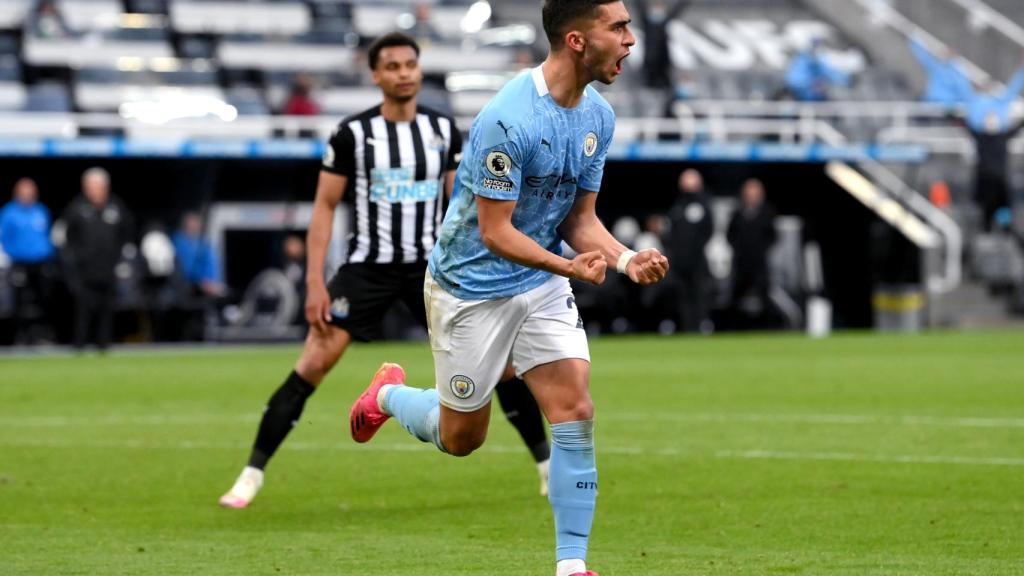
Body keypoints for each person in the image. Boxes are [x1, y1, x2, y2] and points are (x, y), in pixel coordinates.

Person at [347, 4, 668, 576]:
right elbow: (496, 233)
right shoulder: (508, 119)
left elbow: (578, 219)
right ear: (577, 39)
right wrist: (569, 267)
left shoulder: (598, 115)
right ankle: (389, 396)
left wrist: (624, 258)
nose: (630, 40)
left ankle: (572, 565)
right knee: (461, 438)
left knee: (575, 408)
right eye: (617, 27)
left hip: (540, 281)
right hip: (470, 287)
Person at [219, 32, 553, 509]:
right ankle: (251, 474)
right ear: (375, 75)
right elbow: (324, 208)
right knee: (313, 363)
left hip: (431, 270)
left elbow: (464, 205)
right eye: (392, 66)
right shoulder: (352, 134)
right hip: (367, 269)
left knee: (500, 367)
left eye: (409, 65)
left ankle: (545, 467)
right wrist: (314, 282)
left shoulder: (442, 130)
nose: (403, 73)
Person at [60, 167, 133, 351]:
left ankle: (104, 346)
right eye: (92, 186)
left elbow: (126, 233)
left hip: (109, 269)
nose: (97, 190)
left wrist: (120, 259)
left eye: (100, 186)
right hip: (83, 271)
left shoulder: (116, 207)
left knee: (107, 310)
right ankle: (79, 346)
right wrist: (74, 262)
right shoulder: (76, 208)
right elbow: (67, 237)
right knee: (83, 310)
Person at [960, 69, 1024, 229]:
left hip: (999, 177)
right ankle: (986, 227)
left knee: (1002, 206)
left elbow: (1018, 126)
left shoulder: (1003, 134)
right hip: (984, 176)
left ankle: (1005, 228)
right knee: (985, 207)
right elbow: (965, 125)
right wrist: (952, 116)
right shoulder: (980, 134)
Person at [0, 178, 56, 343]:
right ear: (17, 193)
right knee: (18, 301)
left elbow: (48, 235)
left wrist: (49, 253)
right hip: (19, 262)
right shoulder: (8, 213)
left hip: (41, 262)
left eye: (30, 192)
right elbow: (3, 237)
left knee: (44, 298)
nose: (27, 195)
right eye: (24, 192)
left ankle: (42, 334)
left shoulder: (41, 211)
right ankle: (19, 335)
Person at [665, 168, 713, 333]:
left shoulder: (703, 204)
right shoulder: (677, 205)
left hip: (697, 260)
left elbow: (708, 230)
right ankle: (686, 327)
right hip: (679, 261)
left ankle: (701, 325)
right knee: (682, 295)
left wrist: (695, 250)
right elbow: (671, 232)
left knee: (700, 293)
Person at [726, 178, 776, 328]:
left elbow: (772, 236)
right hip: (741, 262)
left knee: (764, 294)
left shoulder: (767, 212)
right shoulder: (737, 213)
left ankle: (767, 327)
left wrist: (761, 250)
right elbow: (730, 235)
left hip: (759, 262)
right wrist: (738, 249)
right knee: (736, 295)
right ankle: (734, 327)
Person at [171, 211, 226, 298]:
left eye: (196, 222)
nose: (195, 225)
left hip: (207, 286)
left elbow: (211, 265)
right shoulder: (178, 242)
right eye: (192, 222)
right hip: (186, 287)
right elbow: (184, 268)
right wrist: (200, 282)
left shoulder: (204, 242)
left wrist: (211, 282)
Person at [908, 37, 971, 109]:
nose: (943, 53)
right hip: (932, 102)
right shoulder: (938, 66)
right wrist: (914, 39)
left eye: (946, 51)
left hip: (946, 107)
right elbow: (924, 58)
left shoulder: (958, 71)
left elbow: (964, 92)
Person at [784, 38, 849, 102]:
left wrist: (846, 79)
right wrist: (812, 84)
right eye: (816, 47)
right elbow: (792, 81)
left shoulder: (821, 61)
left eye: (820, 48)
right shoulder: (801, 60)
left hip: (820, 100)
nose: (817, 50)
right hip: (800, 99)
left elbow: (833, 75)